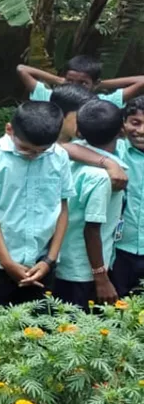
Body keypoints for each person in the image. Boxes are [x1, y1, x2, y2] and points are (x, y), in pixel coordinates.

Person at [0, 101, 72, 306]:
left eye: (41, 151)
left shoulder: (59, 156)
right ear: (9, 130)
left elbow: (62, 209)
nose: (34, 155)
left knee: (43, 328)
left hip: (43, 262)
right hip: (1, 263)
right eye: (26, 149)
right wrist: (7, 262)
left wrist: (49, 260)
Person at [51, 100, 124, 308]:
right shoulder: (101, 178)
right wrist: (101, 277)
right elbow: (91, 230)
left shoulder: (67, 157)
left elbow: (62, 146)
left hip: (62, 258)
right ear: (121, 131)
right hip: (84, 270)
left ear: (79, 131)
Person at [18, 55, 144, 108]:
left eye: (83, 83)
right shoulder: (50, 97)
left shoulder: (103, 103)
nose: (75, 87)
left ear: (94, 83)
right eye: (70, 81)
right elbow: (22, 69)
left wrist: (99, 85)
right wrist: (60, 81)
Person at [113, 97, 144, 296]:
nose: (140, 130)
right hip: (118, 249)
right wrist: (108, 163)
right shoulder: (116, 150)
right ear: (123, 124)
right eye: (135, 122)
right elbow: (70, 148)